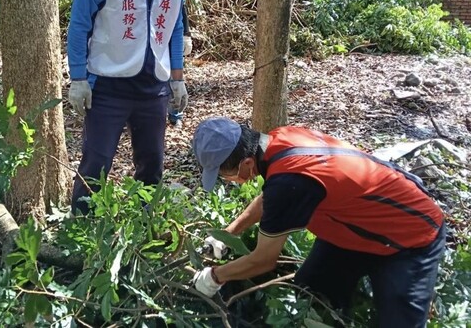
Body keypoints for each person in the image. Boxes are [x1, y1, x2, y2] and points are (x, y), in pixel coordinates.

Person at [191, 117, 446, 327]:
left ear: (247, 163)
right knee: (313, 290)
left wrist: (215, 276)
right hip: (351, 229)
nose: (230, 181)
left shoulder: (289, 183)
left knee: (398, 320)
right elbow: (270, 195)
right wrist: (228, 233)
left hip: (409, 236)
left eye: (227, 176)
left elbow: (263, 260)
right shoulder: (280, 139)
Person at [67, 0, 195, 214]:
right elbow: (80, 23)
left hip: (154, 88)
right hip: (109, 87)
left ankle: (144, 227)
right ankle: (81, 229)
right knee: (96, 162)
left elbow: (175, 27)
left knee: (152, 164)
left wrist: (177, 79)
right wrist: (79, 78)